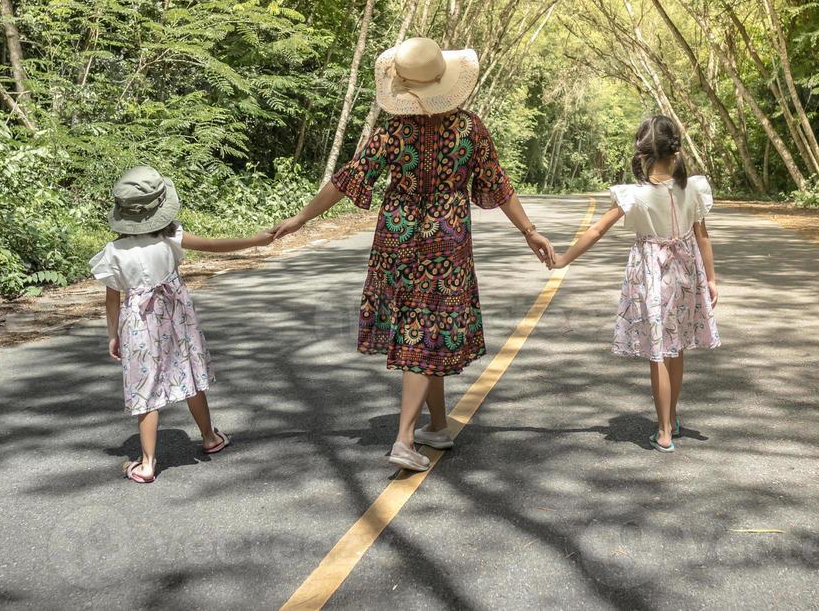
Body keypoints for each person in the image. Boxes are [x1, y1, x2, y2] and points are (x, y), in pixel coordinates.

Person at [273, 37, 555, 471]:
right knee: (426, 331)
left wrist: (301, 218)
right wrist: (529, 231)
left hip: (398, 242)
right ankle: (406, 438)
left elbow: (348, 179)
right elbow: (498, 185)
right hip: (447, 244)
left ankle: (437, 426)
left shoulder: (391, 130)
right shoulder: (469, 129)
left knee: (421, 331)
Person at [90, 165, 274, 483]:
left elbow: (112, 300)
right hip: (176, 319)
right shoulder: (171, 237)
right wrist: (255, 240)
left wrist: (113, 334)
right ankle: (209, 437)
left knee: (144, 388)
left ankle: (147, 463)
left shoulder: (114, 252)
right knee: (188, 374)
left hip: (138, 325)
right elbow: (216, 245)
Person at [551, 115, 719, 452]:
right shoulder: (692, 188)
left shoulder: (634, 195)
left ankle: (665, 432)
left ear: (642, 153)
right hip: (686, 273)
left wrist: (563, 259)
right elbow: (702, 238)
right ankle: (670, 418)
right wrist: (712, 280)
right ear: (677, 150)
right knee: (677, 347)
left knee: (658, 351)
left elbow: (597, 231)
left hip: (651, 274)